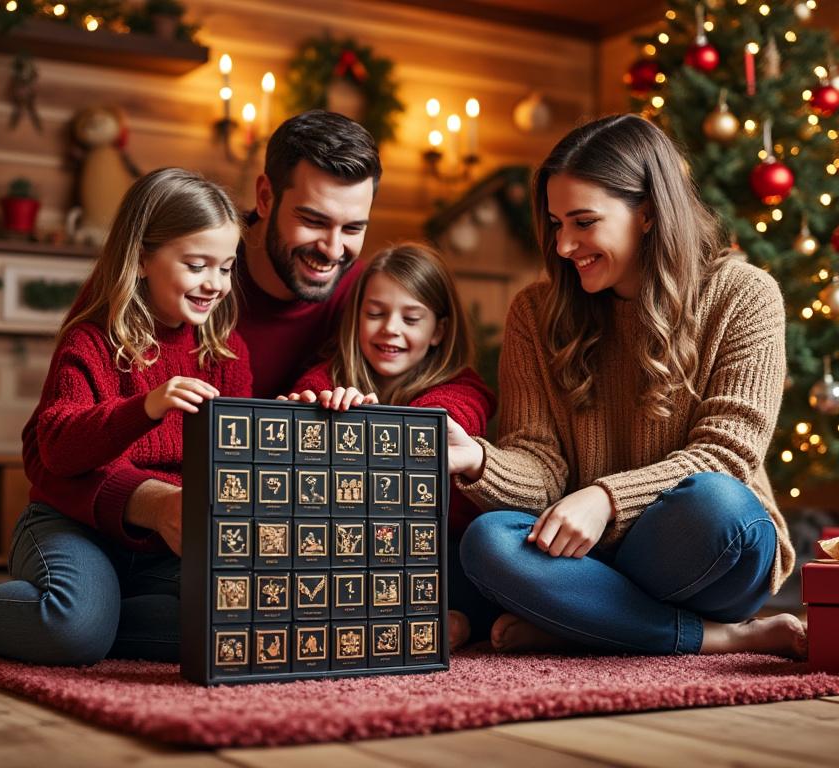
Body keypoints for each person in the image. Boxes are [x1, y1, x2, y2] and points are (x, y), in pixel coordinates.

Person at [446, 114, 806, 658]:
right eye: (556, 223)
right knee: (489, 541)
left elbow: (727, 455)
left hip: (705, 549)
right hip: (590, 559)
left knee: (716, 503)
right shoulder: (535, 314)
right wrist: (477, 459)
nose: (564, 245)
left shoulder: (744, 295)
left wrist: (606, 500)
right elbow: (540, 465)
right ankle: (715, 637)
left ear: (648, 212)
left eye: (584, 222)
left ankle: (580, 618)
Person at [0, 168, 251, 665]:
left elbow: (230, 463)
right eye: (197, 265)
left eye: (226, 268)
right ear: (141, 258)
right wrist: (145, 407)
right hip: (71, 526)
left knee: (236, 620)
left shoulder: (227, 354)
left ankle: (94, 616)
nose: (215, 284)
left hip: (160, 547)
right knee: (71, 630)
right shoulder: (91, 341)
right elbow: (58, 448)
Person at [284, 243, 497, 650]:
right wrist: (309, 414)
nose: (390, 329)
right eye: (375, 314)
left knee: (480, 558)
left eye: (411, 318)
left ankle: (460, 619)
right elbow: (299, 433)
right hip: (348, 550)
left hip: (434, 552)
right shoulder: (325, 378)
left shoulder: (461, 388)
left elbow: (447, 421)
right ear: (356, 318)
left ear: (438, 331)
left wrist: (361, 424)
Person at [235, 109, 382, 397]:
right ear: (265, 198)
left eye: (352, 228)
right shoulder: (198, 264)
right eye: (314, 221)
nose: (333, 249)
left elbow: (450, 375)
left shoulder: (367, 291)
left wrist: (442, 417)